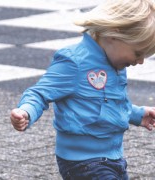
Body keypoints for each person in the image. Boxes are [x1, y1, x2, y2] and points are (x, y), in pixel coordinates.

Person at [10, 0, 155, 179]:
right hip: (83, 162)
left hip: (113, 157)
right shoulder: (74, 62)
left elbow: (110, 102)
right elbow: (39, 93)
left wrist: (138, 114)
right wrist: (26, 112)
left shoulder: (115, 63)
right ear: (114, 35)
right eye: (137, 53)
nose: (140, 61)